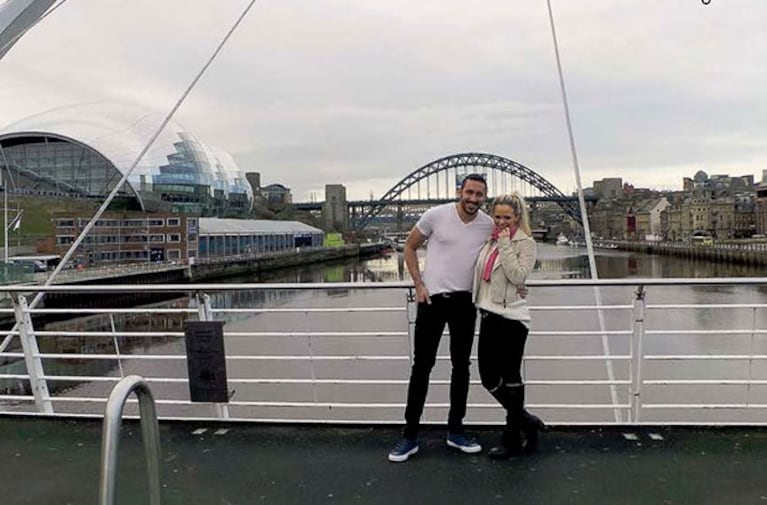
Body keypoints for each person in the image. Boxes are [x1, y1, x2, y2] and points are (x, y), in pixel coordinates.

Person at [388, 173, 494, 463]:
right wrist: (419, 284)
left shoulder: (488, 224)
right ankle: (409, 436)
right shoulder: (436, 215)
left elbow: (507, 249)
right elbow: (409, 247)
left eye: (479, 195)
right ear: (460, 191)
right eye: (469, 192)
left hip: (465, 302)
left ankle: (455, 431)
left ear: (484, 197)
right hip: (432, 300)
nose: (473, 199)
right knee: (422, 367)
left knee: (462, 367)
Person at [473, 192, 544, 459]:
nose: (501, 222)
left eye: (507, 217)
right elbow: (483, 276)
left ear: (517, 217)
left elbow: (517, 275)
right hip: (489, 314)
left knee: (511, 377)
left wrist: (504, 244)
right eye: (498, 217)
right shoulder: (489, 241)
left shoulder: (525, 243)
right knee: (488, 377)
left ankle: (511, 437)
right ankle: (527, 421)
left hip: (512, 319)